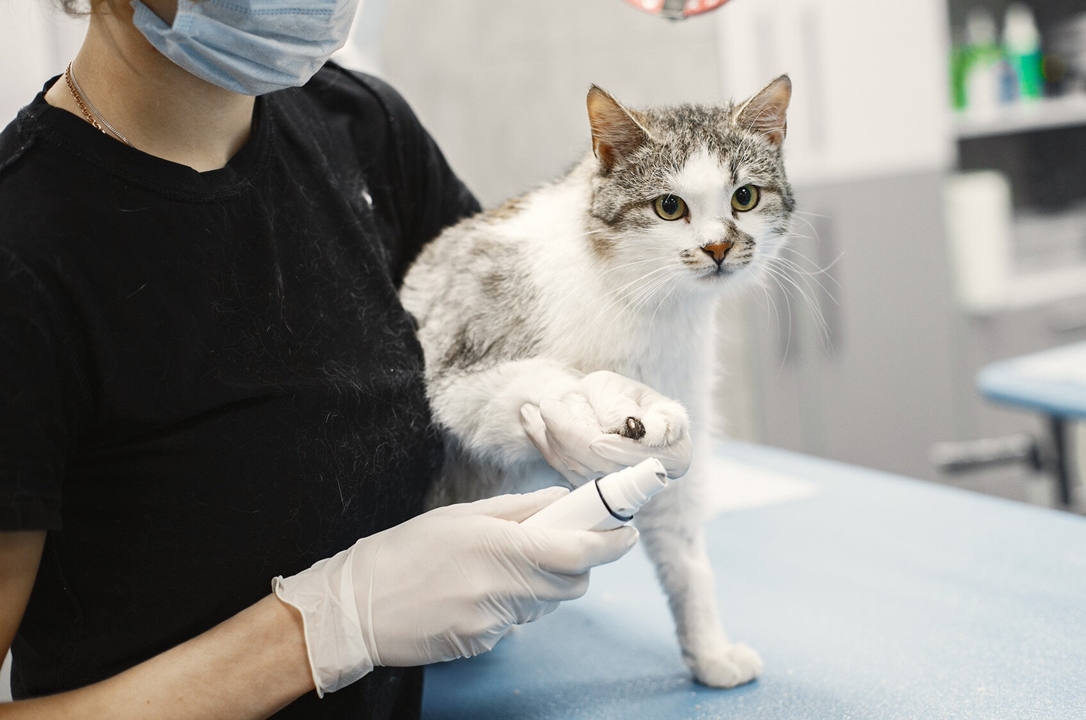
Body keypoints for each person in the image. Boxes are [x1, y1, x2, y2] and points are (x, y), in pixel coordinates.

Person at [0, 0, 689, 717]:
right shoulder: (23, 256)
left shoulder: (361, 130)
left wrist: (570, 400)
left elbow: (491, 361)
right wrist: (320, 631)